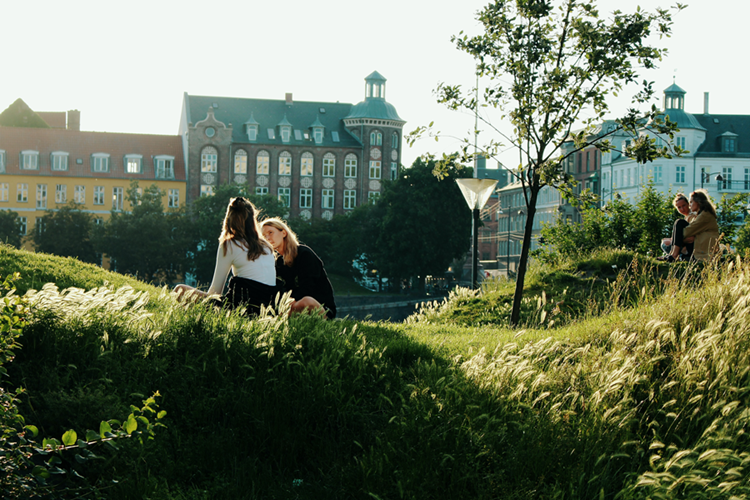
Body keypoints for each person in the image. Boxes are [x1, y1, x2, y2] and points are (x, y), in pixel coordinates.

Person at [174, 197, 277, 315]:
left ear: (228, 219)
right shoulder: (267, 247)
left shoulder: (229, 244)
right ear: (253, 220)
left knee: (179, 290)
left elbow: (215, 292)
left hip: (240, 311)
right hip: (266, 312)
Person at [261, 218, 337, 319]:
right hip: (292, 306)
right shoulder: (277, 263)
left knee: (306, 301)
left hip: (319, 306)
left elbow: (308, 288)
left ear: (283, 233)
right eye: (264, 236)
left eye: (270, 232)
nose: (267, 237)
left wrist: (290, 303)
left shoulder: (304, 254)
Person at [657, 189, 720, 263]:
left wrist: (676, 237)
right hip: (699, 245)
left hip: (703, 249)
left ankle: (674, 255)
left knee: (679, 223)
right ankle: (673, 254)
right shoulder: (702, 214)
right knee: (679, 223)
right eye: (679, 207)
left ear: (698, 202)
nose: (690, 205)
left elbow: (687, 232)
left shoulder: (704, 216)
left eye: (691, 202)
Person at [661, 193, 696, 259]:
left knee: (665, 243)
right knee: (664, 241)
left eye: (684, 206)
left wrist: (677, 240)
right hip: (685, 244)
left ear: (688, 204)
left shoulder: (692, 216)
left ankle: (676, 255)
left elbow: (691, 237)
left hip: (691, 246)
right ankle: (675, 254)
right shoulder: (686, 217)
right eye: (679, 207)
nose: (682, 209)